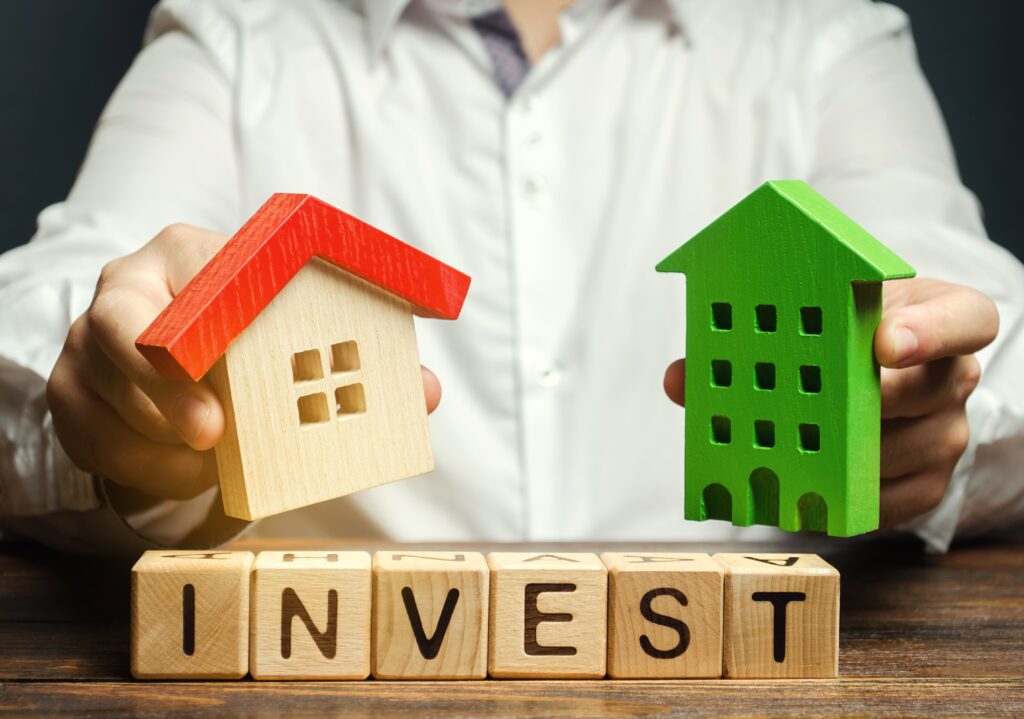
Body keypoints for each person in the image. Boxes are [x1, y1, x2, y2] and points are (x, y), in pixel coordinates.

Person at [0, 0, 1020, 555]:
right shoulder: (235, 36)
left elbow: (981, 315)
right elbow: (41, 312)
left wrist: (944, 417)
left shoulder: (820, 35)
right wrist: (101, 411)